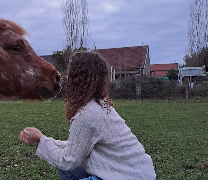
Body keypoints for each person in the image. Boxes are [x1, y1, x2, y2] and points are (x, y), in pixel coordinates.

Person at [19, 51, 156, 180]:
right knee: (67, 172)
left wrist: (41, 139)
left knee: (67, 168)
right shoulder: (100, 105)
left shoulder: (87, 114)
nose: (66, 77)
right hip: (140, 172)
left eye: (71, 73)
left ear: (79, 78)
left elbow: (68, 161)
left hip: (131, 176)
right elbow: (76, 147)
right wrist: (41, 139)